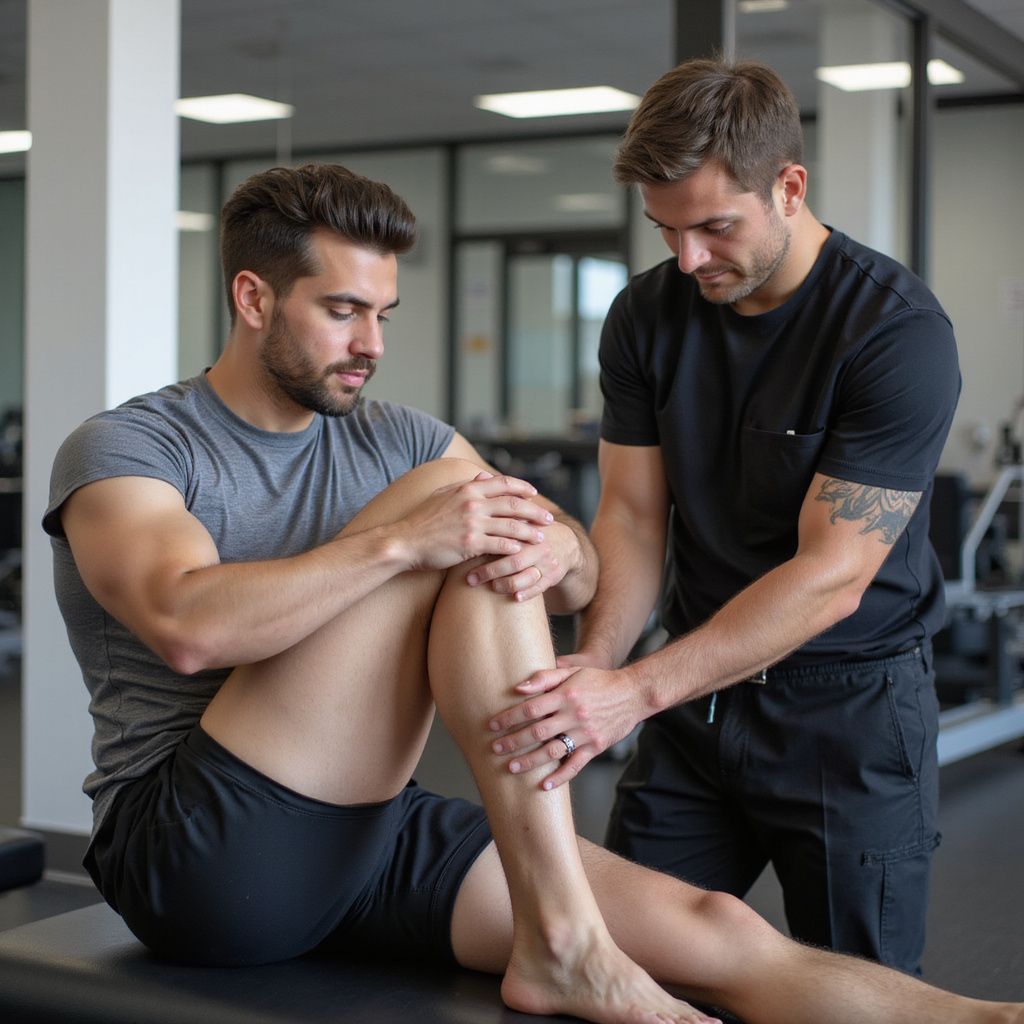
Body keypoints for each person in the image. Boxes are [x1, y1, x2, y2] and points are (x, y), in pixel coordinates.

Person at [44, 162, 1021, 1024]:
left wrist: (554, 547)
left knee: (718, 930)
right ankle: (564, 938)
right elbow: (186, 625)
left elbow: (580, 572)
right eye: (341, 311)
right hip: (199, 851)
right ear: (253, 298)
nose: (371, 343)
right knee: (450, 501)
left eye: (384, 314)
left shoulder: (397, 436)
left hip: (370, 831)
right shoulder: (133, 447)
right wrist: (405, 540)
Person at [486, 58, 961, 976]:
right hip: (696, 702)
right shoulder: (644, 316)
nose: (689, 259)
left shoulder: (895, 331)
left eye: (714, 227)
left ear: (789, 188)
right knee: (619, 961)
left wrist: (634, 692)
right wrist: (601, 659)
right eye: (667, 230)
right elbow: (633, 517)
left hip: (850, 713)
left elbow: (832, 577)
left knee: (854, 992)